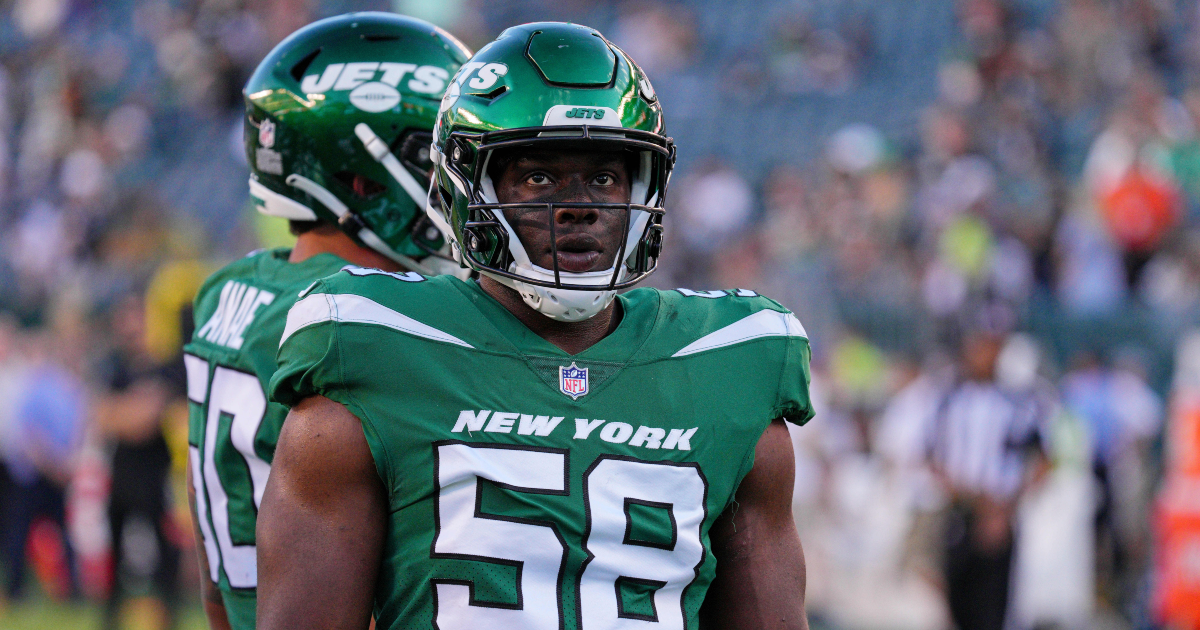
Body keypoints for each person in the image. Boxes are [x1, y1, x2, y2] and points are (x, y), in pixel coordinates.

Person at [259, 22, 816, 630]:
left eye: (603, 177)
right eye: (538, 176)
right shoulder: (376, 351)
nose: (579, 204)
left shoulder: (729, 362)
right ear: (464, 188)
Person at [182, 13, 468, 630]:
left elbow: (215, 560)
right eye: (437, 161)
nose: (459, 185)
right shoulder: (368, 319)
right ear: (363, 177)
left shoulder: (226, 290)